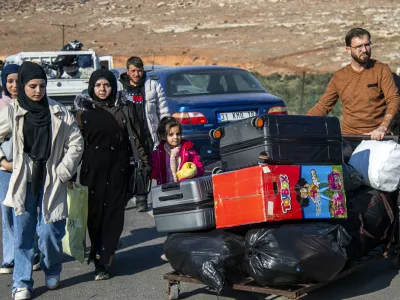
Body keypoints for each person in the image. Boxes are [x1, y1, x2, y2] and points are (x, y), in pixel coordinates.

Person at [0, 61, 83, 300]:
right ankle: (21, 282)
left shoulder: (58, 112)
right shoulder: (13, 110)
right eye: (32, 86)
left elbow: (76, 141)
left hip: (52, 180)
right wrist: (4, 162)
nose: (38, 91)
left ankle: (52, 268)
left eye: (42, 86)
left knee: (49, 232)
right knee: (23, 233)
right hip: (24, 180)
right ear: (24, 86)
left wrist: (64, 169)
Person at [74, 69, 152, 280]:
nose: (102, 89)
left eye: (106, 85)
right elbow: (74, 145)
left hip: (119, 169)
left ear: (113, 86)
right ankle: (99, 251)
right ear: (92, 87)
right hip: (92, 172)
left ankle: (103, 261)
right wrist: (69, 172)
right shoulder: (82, 113)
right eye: (98, 85)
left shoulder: (124, 109)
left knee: (114, 215)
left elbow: (137, 137)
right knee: (95, 215)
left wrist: (145, 164)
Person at [307, 28, 400, 140]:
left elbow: (393, 99)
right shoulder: (339, 76)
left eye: (367, 45)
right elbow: (323, 106)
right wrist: (300, 124)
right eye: (359, 47)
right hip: (349, 137)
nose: (364, 50)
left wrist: (383, 127)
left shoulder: (381, 70)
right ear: (348, 49)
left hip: (378, 137)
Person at [0, 64, 41, 275]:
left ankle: (32, 251)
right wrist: (2, 162)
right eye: (9, 81)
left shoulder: (32, 105)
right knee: (7, 212)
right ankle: (10, 257)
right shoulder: (1, 106)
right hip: (6, 169)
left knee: (28, 211)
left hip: (29, 168)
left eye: (18, 81)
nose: (14, 85)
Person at [118, 56, 170, 212]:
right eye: (133, 71)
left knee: (145, 166)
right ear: (127, 71)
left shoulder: (153, 87)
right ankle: (125, 195)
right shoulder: (120, 89)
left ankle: (142, 198)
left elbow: (163, 111)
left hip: (147, 133)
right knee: (126, 167)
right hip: (126, 134)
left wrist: (166, 131)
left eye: (139, 71)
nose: (136, 74)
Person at [151, 116, 204, 185]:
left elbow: (199, 167)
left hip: (185, 186)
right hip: (165, 188)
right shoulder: (158, 154)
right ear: (163, 136)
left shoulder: (188, 150)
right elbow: (153, 171)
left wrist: (194, 171)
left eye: (178, 134)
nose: (175, 137)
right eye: (171, 134)